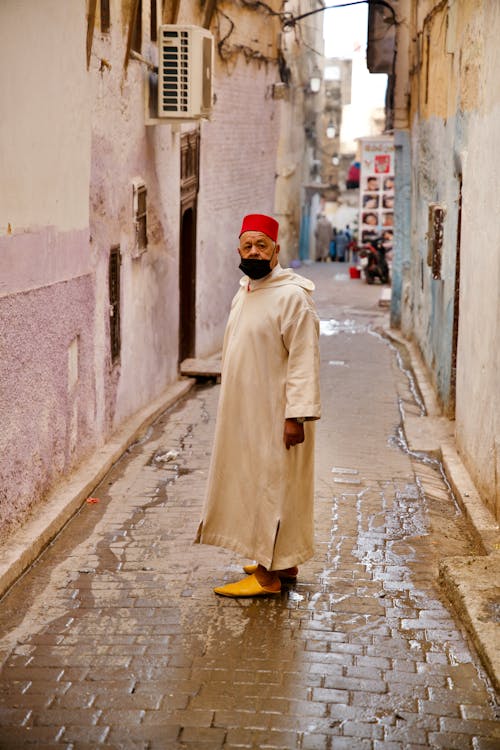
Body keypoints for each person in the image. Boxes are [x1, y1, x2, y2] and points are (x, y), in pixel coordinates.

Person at [195, 213, 321, 597]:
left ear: (275, 250)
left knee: (271, 488)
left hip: (277, 417)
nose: (253, 251)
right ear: (238, 249)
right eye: (247, 245)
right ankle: (284, 561)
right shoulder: (246, 290)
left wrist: (295, 417)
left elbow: (304, 360)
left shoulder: (292, 297)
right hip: (247, 416)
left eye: (261, 245)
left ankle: (267, 578)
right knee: (269, 487)